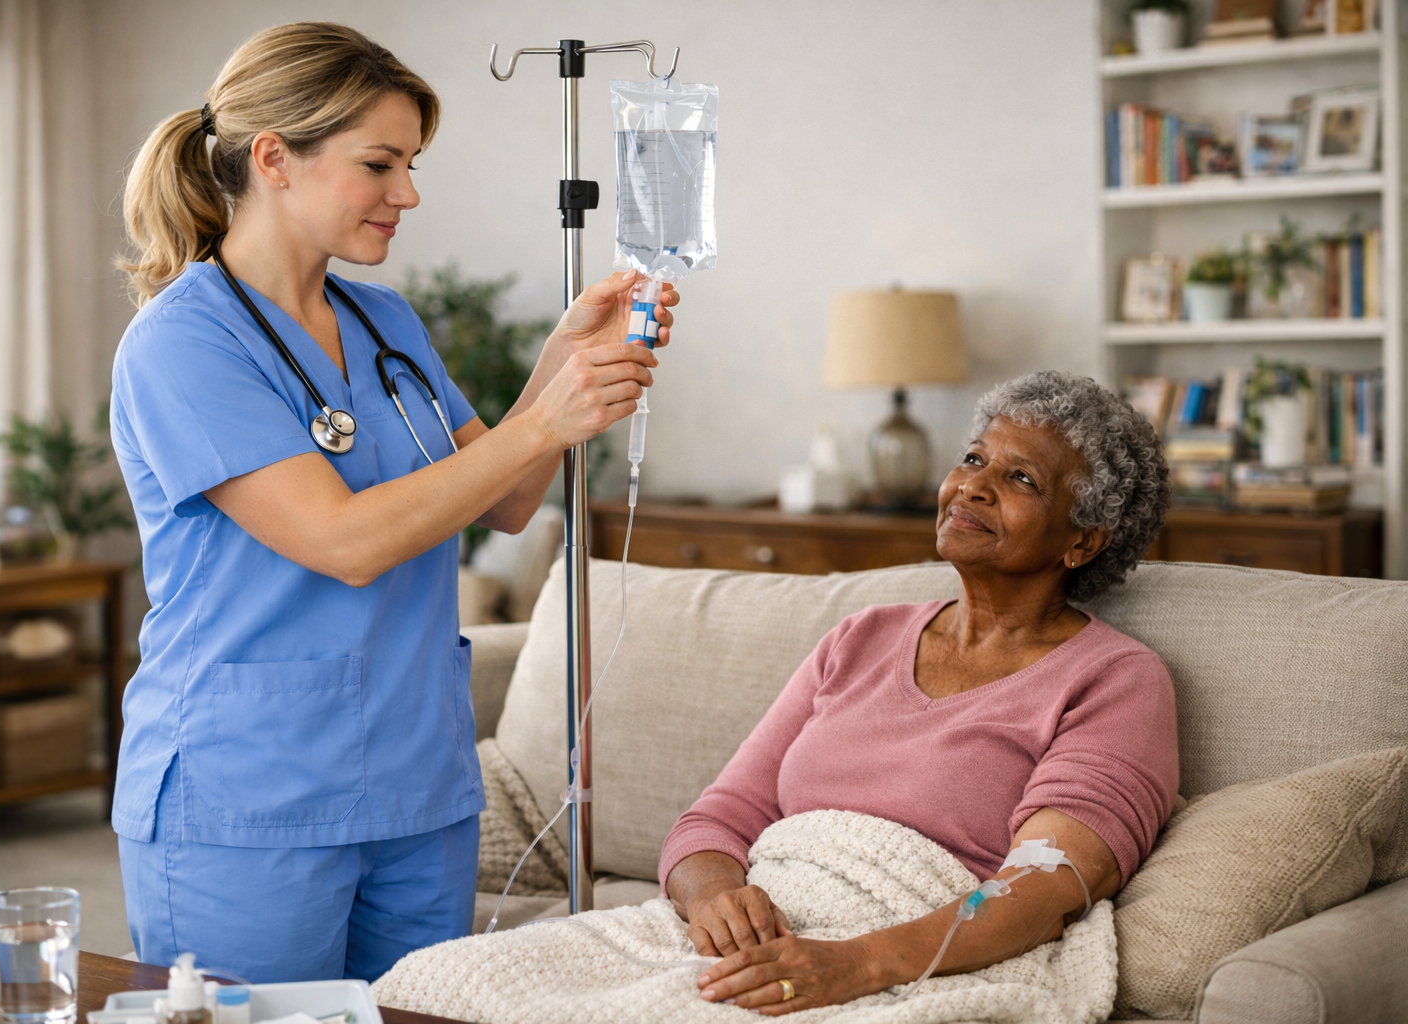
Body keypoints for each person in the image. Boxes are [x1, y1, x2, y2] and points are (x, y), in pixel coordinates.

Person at [109, 22, 677, 983]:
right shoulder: (183, 343)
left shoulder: (385, 321)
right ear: (275, 158)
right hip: (250, 794)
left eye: (411, 164)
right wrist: (544, 422)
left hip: (419, 786)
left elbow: (502, 499)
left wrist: (560, 363)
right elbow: (342, 542)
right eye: (381, 164)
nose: (407, 194)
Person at [661, 371, 1176, 1014]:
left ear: (1083, 540)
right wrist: (715, 899)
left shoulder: (1114, 679)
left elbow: (1045, 884)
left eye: (1021, 479)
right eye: (973, 459)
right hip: (764, 943)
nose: (974, 487)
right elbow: (714, 823)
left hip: (916, 962)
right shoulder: (860, 637)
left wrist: (858, 962)